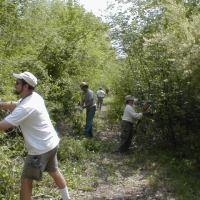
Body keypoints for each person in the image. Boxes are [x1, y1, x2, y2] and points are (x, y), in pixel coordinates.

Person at [0, 72, 71, 200]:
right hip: (51, 142)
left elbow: (2, 126)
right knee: (54, 171)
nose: (15, 85)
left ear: (25, 86)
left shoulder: (26, 107)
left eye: (17, 83)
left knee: (26, 180)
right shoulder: (33, 97)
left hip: (40, 149)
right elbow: (15, 105)